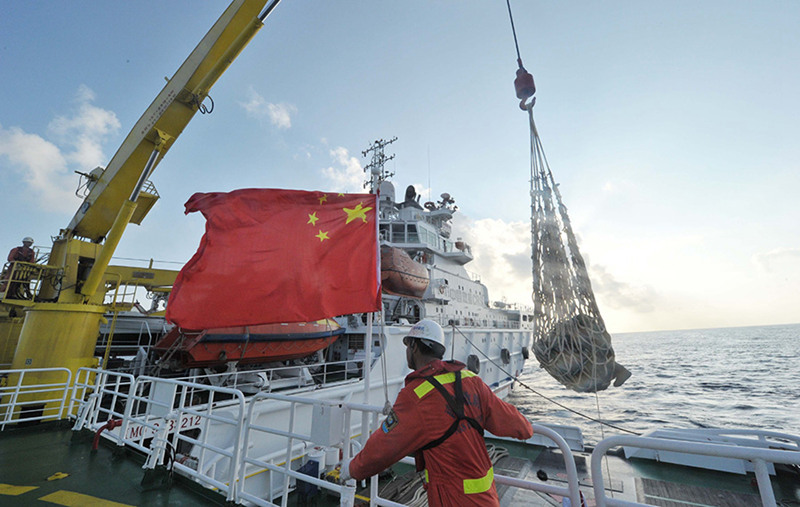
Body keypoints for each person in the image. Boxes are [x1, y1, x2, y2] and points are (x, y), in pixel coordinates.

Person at [340, 319, 533, 506]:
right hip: (487, 497)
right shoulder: (470, 380)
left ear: (414, 347)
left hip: (452, 499)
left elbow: (383, 447)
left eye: (408, 345)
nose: (407, 351)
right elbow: (514, 423)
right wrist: (527, 428)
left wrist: (352, 469)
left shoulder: (416, 396)